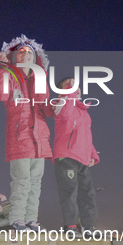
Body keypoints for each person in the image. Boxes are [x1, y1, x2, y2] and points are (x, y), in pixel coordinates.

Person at [0, 35, 53, 231]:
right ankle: (17, 219)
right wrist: (2, 67)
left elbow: (45, 107)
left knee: (36, 183)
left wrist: (56, 107)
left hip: (40, 140)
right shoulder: (10, 76)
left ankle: (31, 220)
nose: (26, 55)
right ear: (15, 56)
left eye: (29, 53)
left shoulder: (39, 78)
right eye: (22, 52)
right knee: (22, 181)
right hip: (20, 139)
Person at [52, 77, 100, 234]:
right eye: (69, 84)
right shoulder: (60, 103)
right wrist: (69, 93)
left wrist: (93, 154)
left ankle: (89, 226)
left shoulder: (83, 111)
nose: (74, 87)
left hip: (83, 159)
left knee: (88, 192)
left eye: (75, 85)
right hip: (66, 156)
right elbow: (65, 114)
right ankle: (70, 226)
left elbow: (86, 135)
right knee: (69, 191)